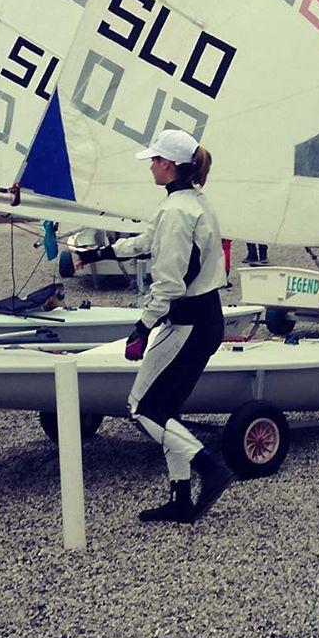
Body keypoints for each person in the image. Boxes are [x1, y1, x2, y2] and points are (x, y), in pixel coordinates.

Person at [101, 127, 236, 524]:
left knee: (142, 409)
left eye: (156, 160)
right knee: (166, 411)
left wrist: (141, 329)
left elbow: (169, 285)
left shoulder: (177, 211)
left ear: (171, 165)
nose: (151, 166)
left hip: (188, 322)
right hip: (203, 319)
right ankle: (180, 498)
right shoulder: (191, 201)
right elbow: (148, 239)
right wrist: (97, 253)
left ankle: (210, 468)